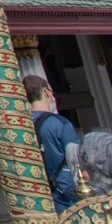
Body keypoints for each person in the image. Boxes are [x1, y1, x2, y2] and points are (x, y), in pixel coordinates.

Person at [28, 75, 83, 207]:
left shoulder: (22, 124)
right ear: (45, 91)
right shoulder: (60, 123)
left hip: (35, 194)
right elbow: (75, 161)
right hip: (63, 194)